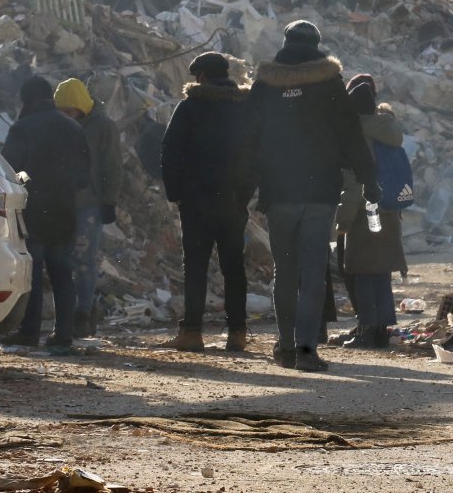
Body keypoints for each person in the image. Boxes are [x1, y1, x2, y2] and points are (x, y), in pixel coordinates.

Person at [246, 20, 377, 372]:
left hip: (278, 195)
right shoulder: (329, 83)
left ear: (286, 42)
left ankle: (286, 347)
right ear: (317, 45)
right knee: (313, 274)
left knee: (284, 272)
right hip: (320, 192)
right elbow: (351, 134)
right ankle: (306, 350)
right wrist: (369, 179)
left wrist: (245, 187)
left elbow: (248, 138)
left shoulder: (265, 84)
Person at [160, 52, 253, 352]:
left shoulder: (190, 108)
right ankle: (237, 333)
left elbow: (170, 153)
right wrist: (244, 196)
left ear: (200, 76)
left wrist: (176, 194)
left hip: (197, 201)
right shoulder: (243, 109)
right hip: (232, 201)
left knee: (196, 266)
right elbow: (256, 156)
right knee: (234, 267)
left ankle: (192, 333)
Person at [2, 77, 91, 352]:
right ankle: (63, 334)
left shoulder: (22, 127)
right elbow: (84, 176)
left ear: (26, 99)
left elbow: (11, 170)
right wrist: (62, 185)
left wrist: (30, 180)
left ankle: (29, 331)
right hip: (64, 210)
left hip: (32, 211)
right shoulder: (74, 128)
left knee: (32, 273)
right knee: (63, 273)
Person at [338, 75, 408, 350]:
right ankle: (380, 328)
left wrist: (343, 219)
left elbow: (356, 183)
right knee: (380, 272)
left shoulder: (358, 136)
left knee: (362, 271)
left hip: (365, 212)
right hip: (389, 210)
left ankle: (367, 330)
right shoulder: (388, 129)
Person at [54, 78, 124, 338]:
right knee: (61, 261)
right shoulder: (57, 126)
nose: (65, 117)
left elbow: (113, 166)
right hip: (60, 204)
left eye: (69, 111)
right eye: (61, 112)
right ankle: (67, 316)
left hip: (88, 205)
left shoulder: (103, 127)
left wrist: (109, 201)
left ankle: (83, 314)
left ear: (82, 107)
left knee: (83, 261)